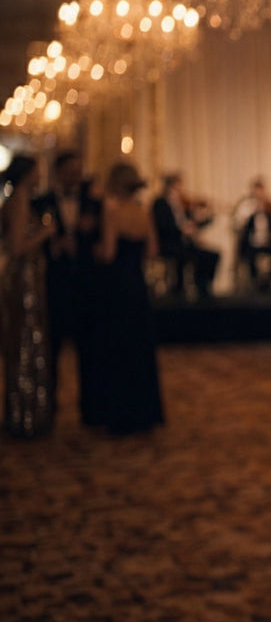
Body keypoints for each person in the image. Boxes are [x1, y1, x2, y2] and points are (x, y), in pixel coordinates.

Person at [92, 162, 165, 436]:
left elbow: (109, 253)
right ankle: (144, 412)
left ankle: (121, 414)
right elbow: (153, 251)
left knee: (119, 347)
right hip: (138, 284)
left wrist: (96, 251)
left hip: (117, 287)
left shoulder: (112, 211)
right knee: (139, 346)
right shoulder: (143, 211)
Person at [32, 150, 102, 425]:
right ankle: (48, 408)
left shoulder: (93, 203)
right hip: (55, 285)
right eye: (71, 171)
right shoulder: (41, 203)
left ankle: (91, 409)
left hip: (87, 286)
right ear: (59, 172)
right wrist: (55, 247)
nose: (76, 176)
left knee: (89, 351)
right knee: (52, 349)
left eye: (79, 171)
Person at [2, 155, 57, 438]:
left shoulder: (19, 200)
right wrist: (45, 233)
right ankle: (24, 414)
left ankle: (26, 411)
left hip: (28, 277)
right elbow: (17, 247)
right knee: (26, 341)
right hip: (23, 279)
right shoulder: (19, 202)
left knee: (27, 341)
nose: (40, 177)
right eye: (37, 171)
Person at [152, 172, 219, 298]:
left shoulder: (182, 205)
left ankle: (203, 287)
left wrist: (207, 217)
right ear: (170, 187)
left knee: (212, 255)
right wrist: (182, 229)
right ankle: (178, 289)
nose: (181, 190)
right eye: (178, 186)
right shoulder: (160, 204)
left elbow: (193, 223)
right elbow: (162, 226)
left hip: (185, 244)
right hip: (169, 244)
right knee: (182, 256)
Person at [233, 177, 271, 294]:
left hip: (267, 242)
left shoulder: (268, 205)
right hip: (251, 243)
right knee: (251, 261)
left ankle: (266, 281)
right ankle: (255, 286)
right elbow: (238, 224)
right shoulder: (246, 206)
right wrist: (251, 212)